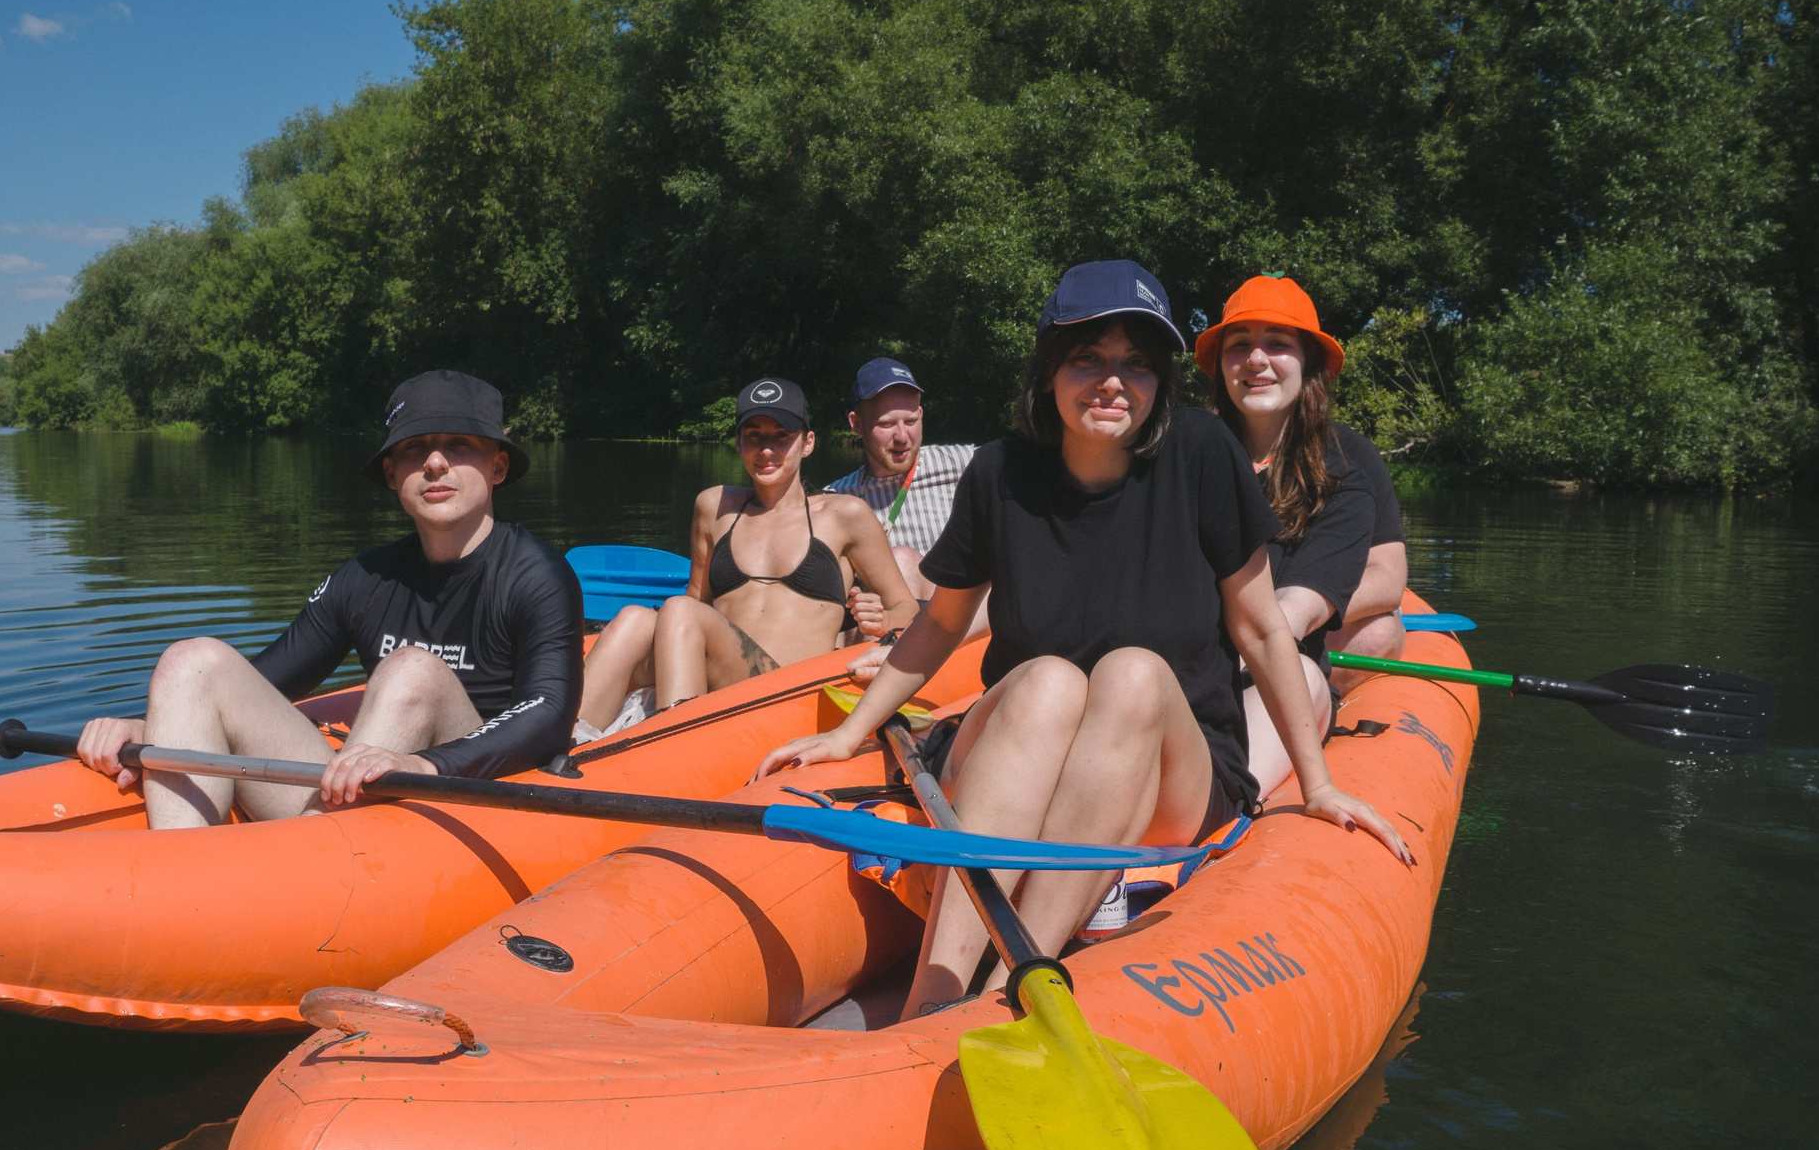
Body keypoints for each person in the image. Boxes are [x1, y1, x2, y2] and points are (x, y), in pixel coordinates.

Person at [758, 262, 1412, 1020]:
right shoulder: (999, 472)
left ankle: (1009, 989)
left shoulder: (1202, 452)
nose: (1112, 382)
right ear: (1048, 370)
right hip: (1029, 738)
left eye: (1137, 363)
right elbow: (940, 622)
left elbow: (1264, 627)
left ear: (1161, 379)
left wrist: (1318, 784)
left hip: (1172, 765)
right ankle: (930, 999)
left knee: (1132, 673)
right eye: (1087, 358)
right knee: (1048, 680)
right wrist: (849, 733)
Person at [75, 370, 583, 827]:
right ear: (391, 474)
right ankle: (186, 867)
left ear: (498, 467)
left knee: (413, 671)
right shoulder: (362, 579)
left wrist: (423, 764)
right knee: (191, 661)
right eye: (414, 448)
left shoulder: (537, 575)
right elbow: (266, 681)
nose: (434, 462)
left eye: (459, 445)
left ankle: (307, 863)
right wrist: (147, 725)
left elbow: (548, 717)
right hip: (359, 794)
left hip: (473, 791)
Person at [576, 377, 918, 738]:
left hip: (788, 690)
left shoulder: (845, 515)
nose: (766, 449)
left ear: (807, 443)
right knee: (633, 619)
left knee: (679, 610)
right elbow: (697, 601)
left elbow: (908, 609)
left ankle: (674, 746)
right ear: (739, 444)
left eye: (781, 436)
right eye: (754, 436)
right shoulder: (714, 507)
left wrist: (881, 621)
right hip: (720, 676)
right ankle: (559, 741)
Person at [1194, 276, 1410, 796]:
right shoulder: (1184, 449)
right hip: (1189, 656)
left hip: (1272, 653)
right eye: (1239, 344)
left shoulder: (1346, 470)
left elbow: (1385, 579)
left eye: (1278, 343)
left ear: (1309, 362)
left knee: (1376, 634)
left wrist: (1265, 612)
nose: (1256, 359)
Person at [827, 357, 978, 618]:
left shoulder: (965, 463)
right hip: (885, 625)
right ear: (857, 424)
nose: (902, 437)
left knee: (902, 561)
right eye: (886, 424)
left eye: (910, 421)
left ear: (921, 415)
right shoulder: (835, 498)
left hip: (962, 615)